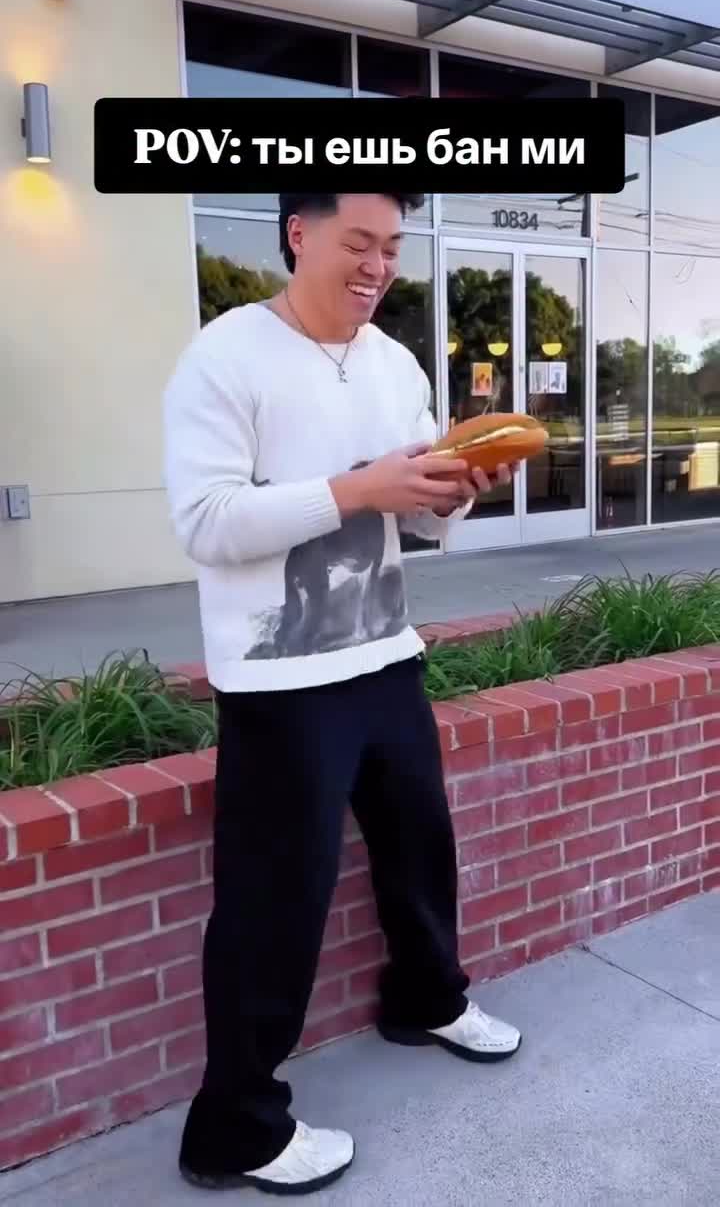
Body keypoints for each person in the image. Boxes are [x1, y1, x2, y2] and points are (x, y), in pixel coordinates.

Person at [163, 192, 522, 1197]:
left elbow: (416, 520)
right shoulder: (224, 357)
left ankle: (426, 1000)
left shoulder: (394, 362)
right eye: (359, 243)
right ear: (299, 234)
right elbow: (205, 521)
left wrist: (451, 496)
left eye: (392, 247)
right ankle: (233, 1126)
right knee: (275, 899)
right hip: (279, 681)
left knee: (420, 848)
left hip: (384, 656)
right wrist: (358, 488)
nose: (378, 266)